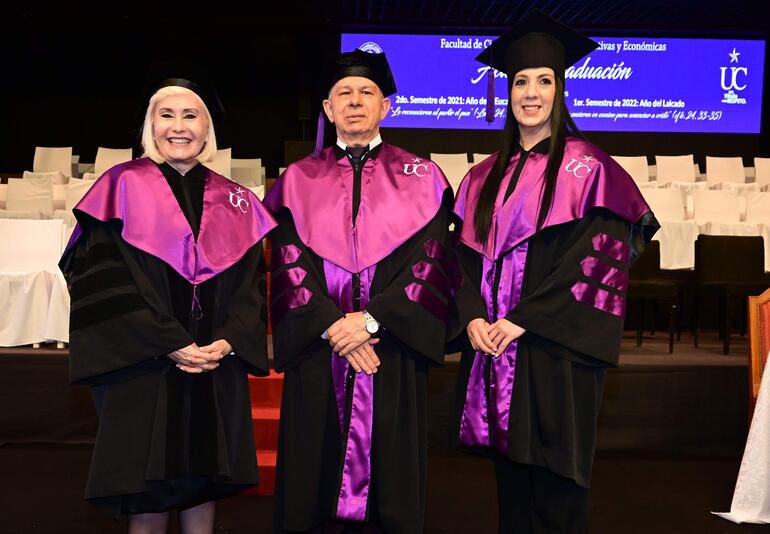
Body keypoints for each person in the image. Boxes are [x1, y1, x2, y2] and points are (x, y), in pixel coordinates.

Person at [449, 10, 659, 533]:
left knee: (557, 481)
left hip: (556, 349)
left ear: (560, 90)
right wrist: (473, 317)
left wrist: (524, 318)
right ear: (508, 90)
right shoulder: (480, 177)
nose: (531, 92)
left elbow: (600, 257)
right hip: (493, 346)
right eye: (521, 81)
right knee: (510, 484)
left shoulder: (590, 168)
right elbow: (460, 259)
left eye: (544, 81)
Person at [59, 77, 277, 533]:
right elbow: (103, 281)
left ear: (207, 130)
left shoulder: (235, 200)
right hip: (142, 362)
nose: (179, 127)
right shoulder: (119, 187)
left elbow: (250, 286)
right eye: (167, 115)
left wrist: (230, 340)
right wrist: (168, 341)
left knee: (204, 479)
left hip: (215, 362)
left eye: (190, 116)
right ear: (150, 126)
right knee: (147, 485)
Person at [264, 50, 453, 533]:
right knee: (313, 476)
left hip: (390, 347)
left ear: (385, 106)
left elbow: (430, 261)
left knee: (390, 484)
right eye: (343, 94)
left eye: (366, 92)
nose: (354, 102)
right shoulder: (295, 182)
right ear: (327, 109)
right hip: (318, 348)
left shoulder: (423, 179)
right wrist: (331, 323)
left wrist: (370, 321)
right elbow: (287, 260)